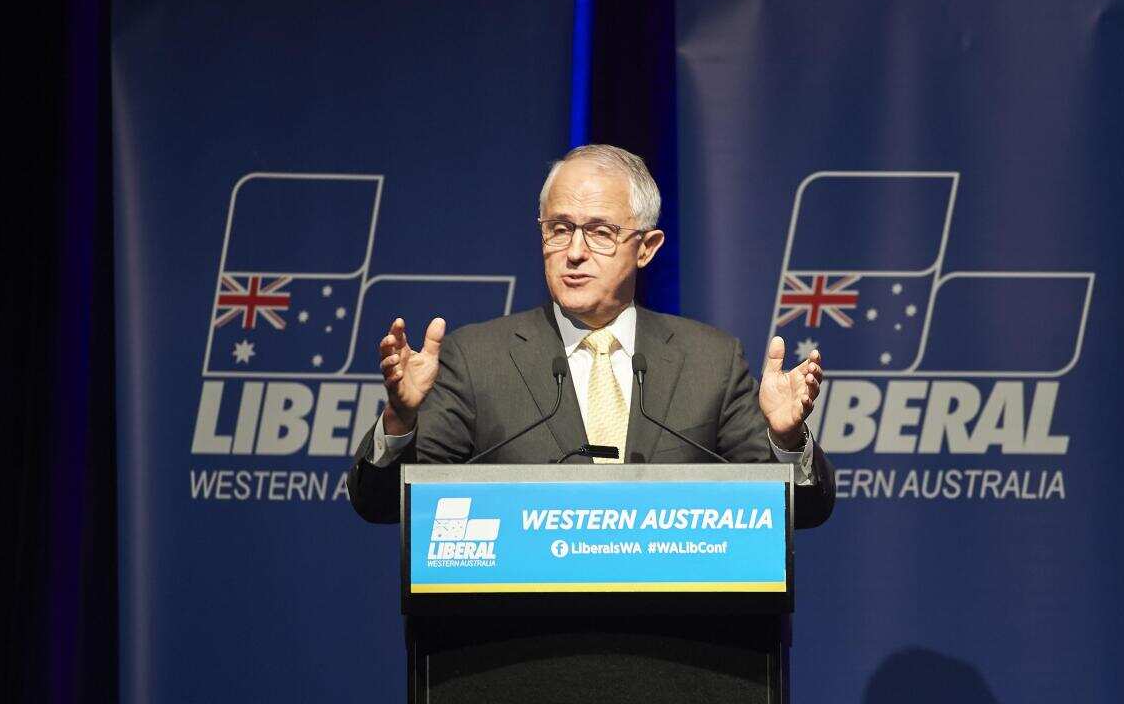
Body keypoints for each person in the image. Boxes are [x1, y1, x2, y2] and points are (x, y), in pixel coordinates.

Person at [348, 144, 835, 528]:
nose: (574, 252)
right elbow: (382, 506)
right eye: (559, 229)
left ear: (646, 248)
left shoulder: (710, 361)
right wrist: (399, 420)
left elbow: (800, 513)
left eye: (600, 232)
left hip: (676, 642)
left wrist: (787, 438)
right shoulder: (478, 359)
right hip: (523, 644)